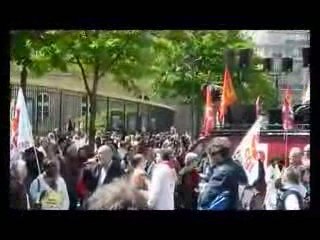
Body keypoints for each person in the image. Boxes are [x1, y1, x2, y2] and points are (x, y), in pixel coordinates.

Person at [197, 137, 248, 210]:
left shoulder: (221, 173)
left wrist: (203, 190)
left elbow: (205, 200)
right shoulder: (237, 167)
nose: (209, 159)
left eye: (210, 155)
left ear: (217, 155)